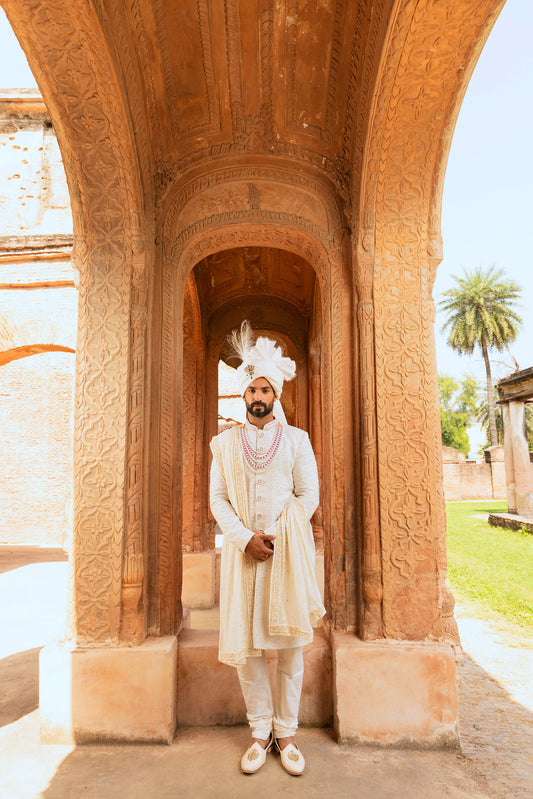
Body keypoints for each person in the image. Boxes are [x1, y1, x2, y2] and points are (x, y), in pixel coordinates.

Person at [210, 321, 325, 776]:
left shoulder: (297, 440)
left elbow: (308, 494)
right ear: (243, 393)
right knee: (250, 650)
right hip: (243, 558)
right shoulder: (223, 444)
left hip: (286, 556)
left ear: (276, 394)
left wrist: (277, 534)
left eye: (265, 389)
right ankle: (260, 732)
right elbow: (217, 500)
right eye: (252, 389)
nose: (258, 396)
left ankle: (287, 733)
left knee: (291, 649)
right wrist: (244, 539)